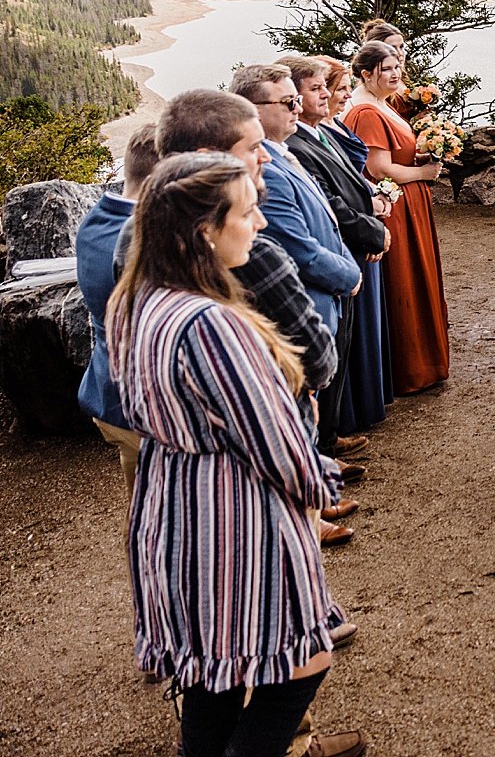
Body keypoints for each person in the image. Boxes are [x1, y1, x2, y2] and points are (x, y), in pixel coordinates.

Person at [106, 152, 362, 757]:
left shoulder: (138, 300)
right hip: (234, 514)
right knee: (303, 660)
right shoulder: (210, 324)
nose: (261, 224)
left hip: (172, 497)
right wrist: (316, 490)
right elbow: (276, 443)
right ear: (205, 232)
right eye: (247, 213)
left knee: (214, 674)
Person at [231, 65, 363, 455]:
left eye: (295, 98)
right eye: (288, 100)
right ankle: (313, 482)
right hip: (308, 296)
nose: (297, 106)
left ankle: (322, 460)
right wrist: (348, 273)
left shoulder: (281, 153)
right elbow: (297, 247)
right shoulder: (263, 168)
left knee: (317, 400)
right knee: (302, 397)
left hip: (328, 291)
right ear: (252, 108)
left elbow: (325, 218)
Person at [279, 56, 391, 447]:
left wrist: (373, 205)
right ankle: (321, 444)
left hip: (348, 249)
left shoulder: (314, 134)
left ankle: (327, 436)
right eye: (315, 89)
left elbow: (348, 185)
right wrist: (367, 234)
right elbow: (326, 203)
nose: (326, 95)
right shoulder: (293, 145)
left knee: (339, 349)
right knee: (322, 354)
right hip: (330, 261)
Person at [345, 42, 451, 395]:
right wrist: (423, 173)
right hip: (397, 207)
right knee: (404, 284)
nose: (396, 74)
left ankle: (425, 362)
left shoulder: (380, 104)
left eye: (397, 67)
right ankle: (410, 368)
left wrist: (421, 151)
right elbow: (378, 169)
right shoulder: (366, 112)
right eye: (387, 69)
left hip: (409, 203)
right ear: (366, 73)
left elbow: (394, 153)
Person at [74, 123, 161, 483]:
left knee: (141, 505)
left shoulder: (95, 220)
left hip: (110, 387)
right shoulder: (144, 237)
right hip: (148, 401)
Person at [313, 53, 394, 433]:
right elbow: (330, 198)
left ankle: (352, 414)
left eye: (347, 88)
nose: (346, 96)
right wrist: (370, 227)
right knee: (344, 330)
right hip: (345, 239)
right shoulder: (305, 142)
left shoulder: (327, 130)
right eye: (338, 88)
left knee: (355, 331)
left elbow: (353, 179)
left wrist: (376, 197)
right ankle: (336, 428)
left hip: (362, 227)